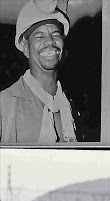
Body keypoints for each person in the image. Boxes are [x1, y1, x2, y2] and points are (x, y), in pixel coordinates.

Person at [0, 0, 80, 144]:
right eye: (39, 36)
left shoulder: (73, 105)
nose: (50, 41)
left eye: (55, 34)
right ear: (25, 48)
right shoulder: (4, 104)